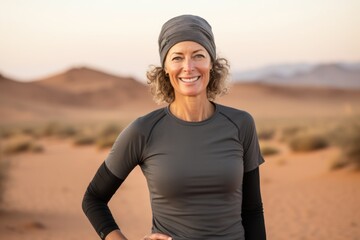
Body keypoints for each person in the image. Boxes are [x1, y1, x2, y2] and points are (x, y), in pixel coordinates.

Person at [82, 14, 266, 240]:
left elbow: (253, 210)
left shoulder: (241, 124)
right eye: (177, 58)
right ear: (165, 68)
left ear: (212, 63)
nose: (188, 67)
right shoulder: (144, 130)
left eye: (198, 55)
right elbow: (93, 199)